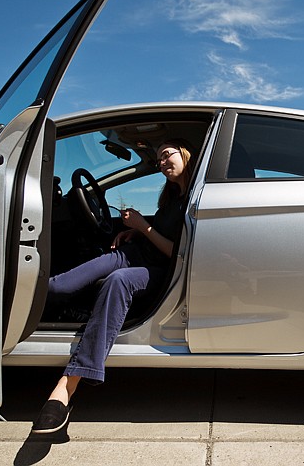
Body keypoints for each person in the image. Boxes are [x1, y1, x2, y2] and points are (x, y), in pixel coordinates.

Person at [31, 138, 193, 434]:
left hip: (160, 270)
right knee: (59, 286)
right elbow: (158, 233)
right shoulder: (170, 198)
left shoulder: (194, 200)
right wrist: (135, 235)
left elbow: (179, 255)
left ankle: (65, 389)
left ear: (185, 154)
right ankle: (15, 321)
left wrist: (143, 227)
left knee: (118, 281)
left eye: (166, 155)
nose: (161, 163)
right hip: (132, 254)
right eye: (158, 160)